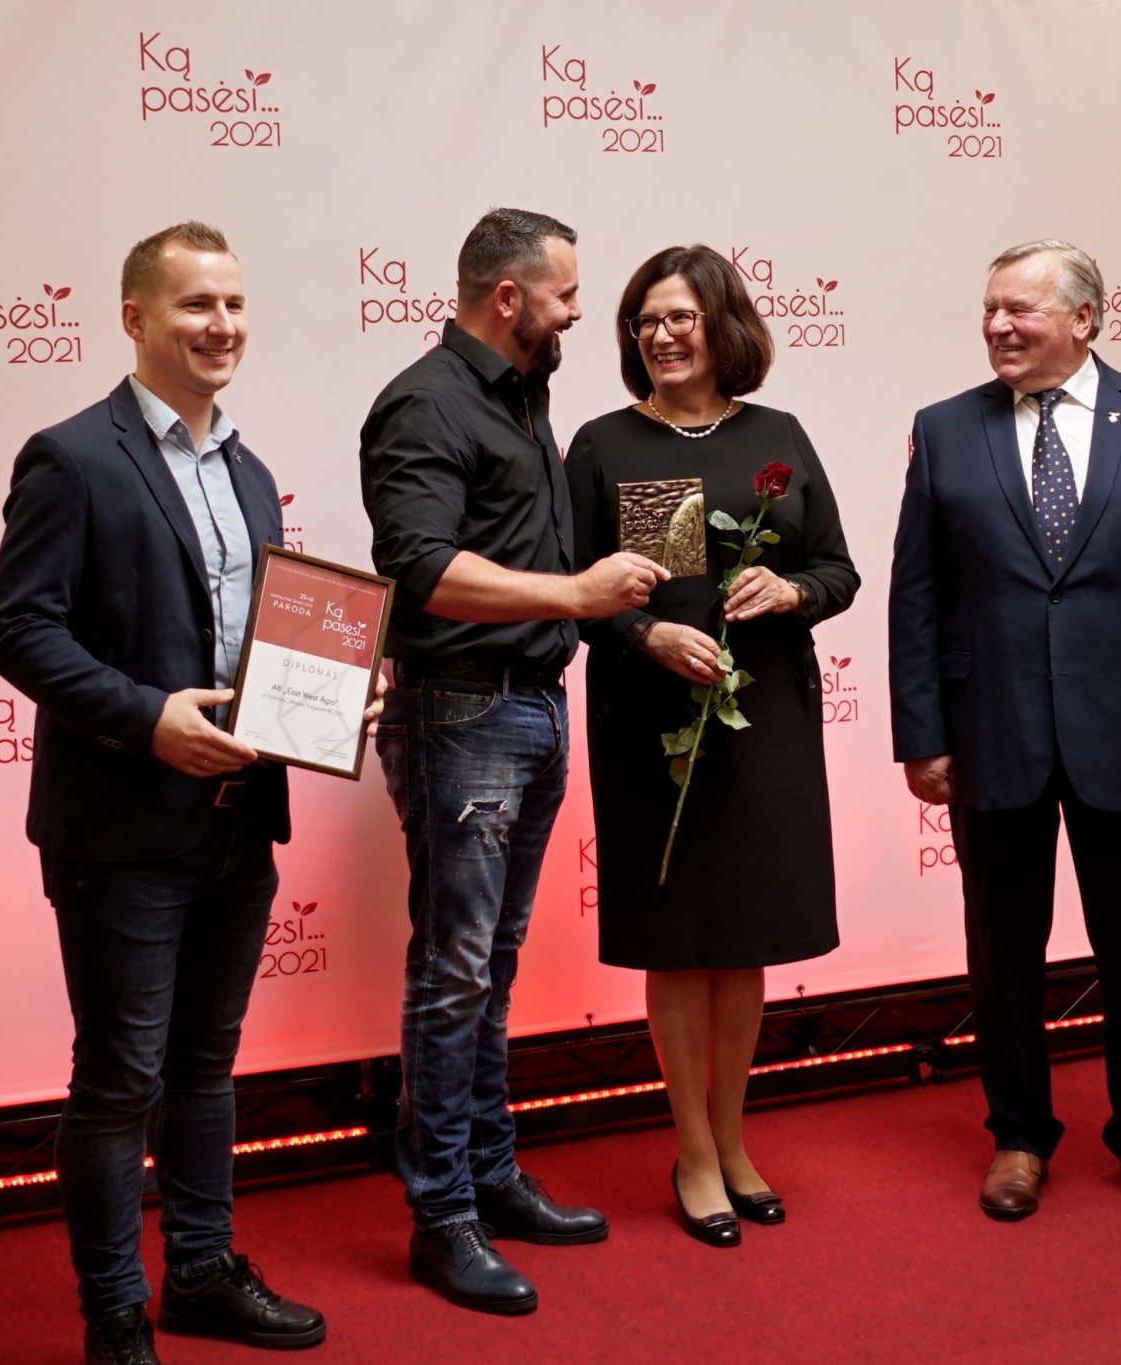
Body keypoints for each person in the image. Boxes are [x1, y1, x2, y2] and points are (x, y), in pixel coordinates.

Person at [0, 222, 367, 1363]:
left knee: (204, 1066)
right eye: (197, 305)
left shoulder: (248, 472)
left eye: (235, 305)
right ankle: (114, 1313)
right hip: (119, 828)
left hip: (239, 822)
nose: (222, 326)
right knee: (118, 1081)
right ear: (135, 319)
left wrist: (327, 706)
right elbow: (17, 630)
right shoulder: (71, 458)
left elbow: (257, 646)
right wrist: (148, 717)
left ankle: (200, 1272)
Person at [887, 239, 1121, 1222]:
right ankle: (1018, 1136)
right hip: (988, 734)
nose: (998, 326)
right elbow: (915, 599)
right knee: (1002, 954)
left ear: (1084, 319)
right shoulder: (943, 429)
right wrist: (921, 734)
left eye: (1020, 309)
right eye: (989, 309)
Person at [359, 207, 668, 1314]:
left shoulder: (522, 394)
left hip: (529, 707)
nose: (579, 312)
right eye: (565, 293)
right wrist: (576, 594)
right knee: (454, 970)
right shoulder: (424, 401)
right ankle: (441, 1213)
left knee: (490, 962)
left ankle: (488, 1176)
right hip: (460, 712)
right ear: (508, 297)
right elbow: (421, 568)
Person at [565, 244, 859, 1248]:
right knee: (680, 939)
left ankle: (733, 1140)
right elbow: (575, 596)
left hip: (764, 716)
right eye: (645, 319)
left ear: (723, 325)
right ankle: (692, 1151)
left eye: (679, 316)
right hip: (651, 727)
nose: (660, 334)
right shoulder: (602, 445)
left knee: (742, 939)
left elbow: (838, 570)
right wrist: (646, 634)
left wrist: (793, 590)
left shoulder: (778, 435)